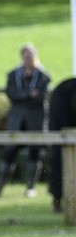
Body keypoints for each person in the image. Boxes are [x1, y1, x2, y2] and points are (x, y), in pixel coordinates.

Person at [0, 44, 51, 198]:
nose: (27, 59)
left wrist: (23, 95)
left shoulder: (42, 76)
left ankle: (30, 187)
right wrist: (28, 94)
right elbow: (11, 94)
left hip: (35, 120)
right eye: (25, 55)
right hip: (17, 120)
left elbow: (40, 97)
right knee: (10, 152)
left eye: (30, 56)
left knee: (34, 153)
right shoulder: (14, 74)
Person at [48, 77, 76, 213]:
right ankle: (58, 199)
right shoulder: (65, 89)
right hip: (63, 129)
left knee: (58, 162)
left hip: (60, 129)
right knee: (59, 163)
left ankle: (57, 200)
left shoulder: (62, 88)